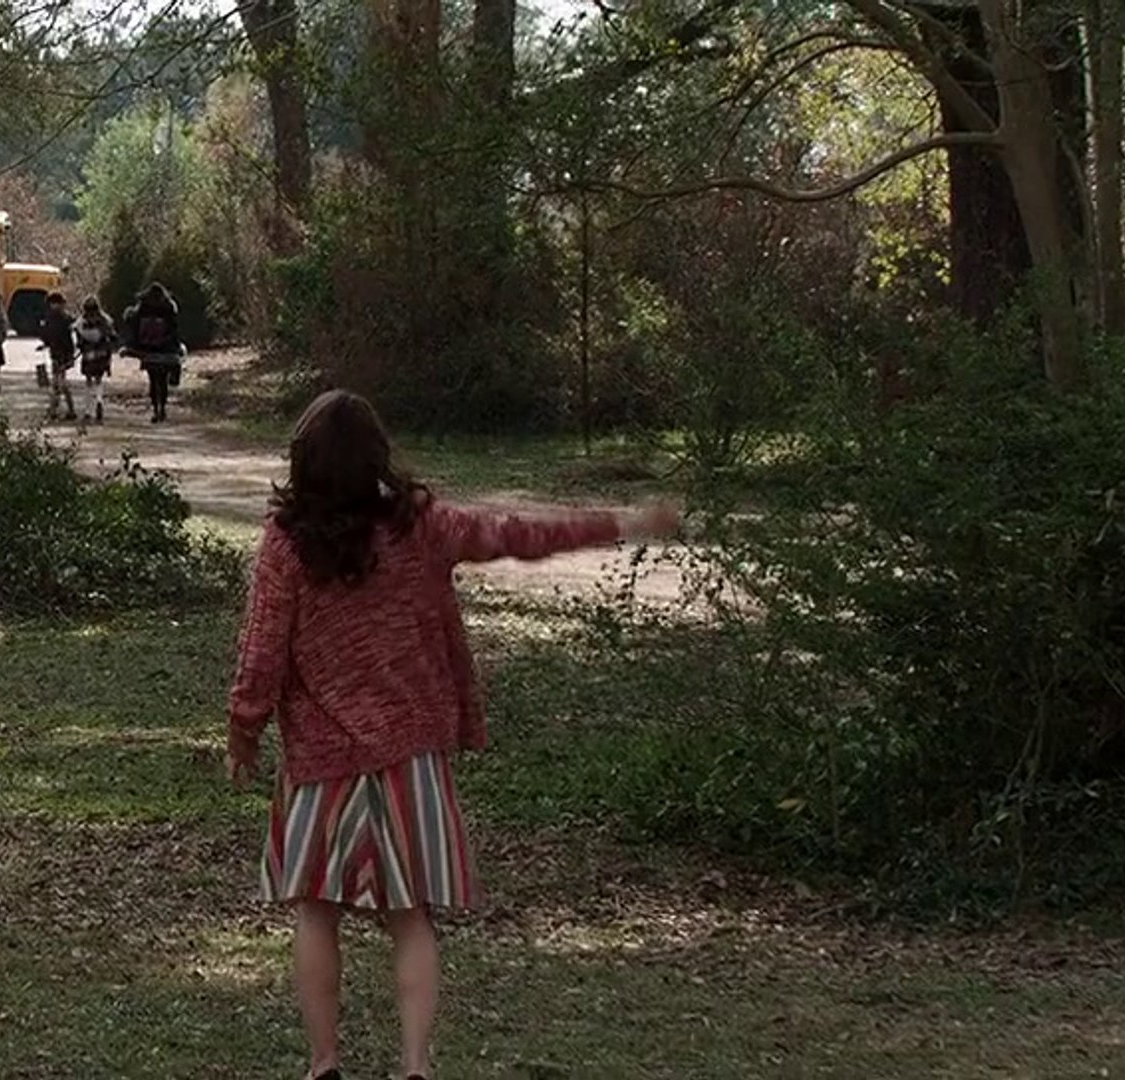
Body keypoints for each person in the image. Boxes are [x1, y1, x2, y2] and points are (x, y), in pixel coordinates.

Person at [226, 390, 680, 1080]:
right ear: (377, 457)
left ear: (303, 462)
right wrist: (622, 521)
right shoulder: (421, 527)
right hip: (410, 758)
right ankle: (415, 1065)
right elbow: (514, 534)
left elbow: (261, 656)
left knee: (315, 912)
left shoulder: (286, 544)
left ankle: (323, 1063)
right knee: (411, 917)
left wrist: (243, 733)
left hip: (320, 762)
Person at [120, 282, 184, 422]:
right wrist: (175, 346)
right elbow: (174, 329)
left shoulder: (143, 306)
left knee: (153, 381)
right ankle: (163, 409)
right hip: (166, 350)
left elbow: (133, 323)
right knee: (163, 381)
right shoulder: (169, 306)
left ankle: (155, 410)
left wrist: (132, 346)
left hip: (148, 350)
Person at [74, 295, 118, 424]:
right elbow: (113, 336)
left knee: (88, 382)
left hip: (88, 354)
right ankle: (99, 400)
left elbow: (78, 340)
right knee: (98, 380)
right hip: (102, 354)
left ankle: (88, 411)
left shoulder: (81, 322)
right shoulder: (105, 320)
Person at [37, 291, 80, 421]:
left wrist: (45, 343)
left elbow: (47, 336)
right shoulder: (65, 318)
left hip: (58, 354)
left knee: (58, 383)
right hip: (63, 353)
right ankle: (65, 409)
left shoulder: (52, 319)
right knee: (60, 382)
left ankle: (56, 410)